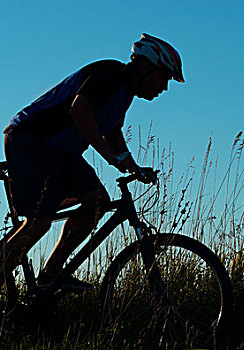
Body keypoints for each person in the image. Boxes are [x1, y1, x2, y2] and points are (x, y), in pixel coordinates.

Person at [1, 33, 184, 290]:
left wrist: (131, 164)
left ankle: (50, 276)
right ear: (145, 67)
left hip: (60, 152)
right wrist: (110, 156)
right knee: (39, 223)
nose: (164, 87)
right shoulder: (111, 73)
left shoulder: (125, 92)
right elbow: (80, 109)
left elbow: (113, 131)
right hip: (31, 141)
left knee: (96, 202)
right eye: (164, 77)